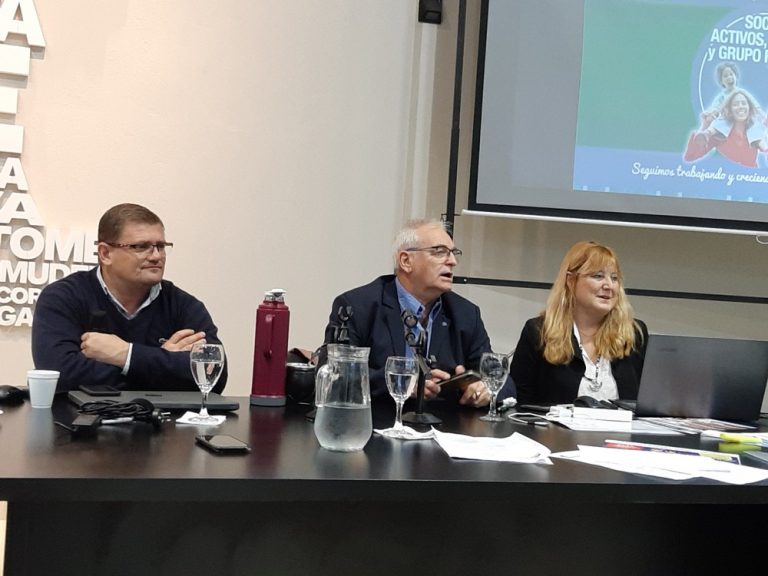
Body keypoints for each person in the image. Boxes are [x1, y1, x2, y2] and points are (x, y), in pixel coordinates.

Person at [32, 203, 227, 392]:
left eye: (161, 246)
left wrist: (126, 355)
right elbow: (60, 375)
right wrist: (163, 362)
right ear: (105, 254)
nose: (156, 256)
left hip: (165, 417)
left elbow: (213, 376)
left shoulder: (183, 306)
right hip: (79, 415)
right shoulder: (62, 297)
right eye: (141, 246)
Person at [320, 218, 513, 407]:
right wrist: (402, 383)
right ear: (406, 261)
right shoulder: (357, 306)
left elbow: (504, 381)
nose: (453, 261)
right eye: (440, 252)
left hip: (444, 423)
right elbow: (334, 374)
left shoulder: (465, 313)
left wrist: (485, 389)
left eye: (453, 253)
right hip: (376, 420)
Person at [510, 241, 647, 406]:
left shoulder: (634, 334)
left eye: (614, 278)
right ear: (571, 280)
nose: (609, 286)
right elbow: (520, 404)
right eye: (598, 276)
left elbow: (649, 405)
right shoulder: (539, 332)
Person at [685, 89, 768, 168]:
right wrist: (704, 126)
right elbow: (690, 156)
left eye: (744, 103)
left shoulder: (754, 131)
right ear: (729, 109)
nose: (740, 107)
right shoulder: (719, 134)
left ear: (749, 108)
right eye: (735, 104)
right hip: (726, 176)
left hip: (750, 176)